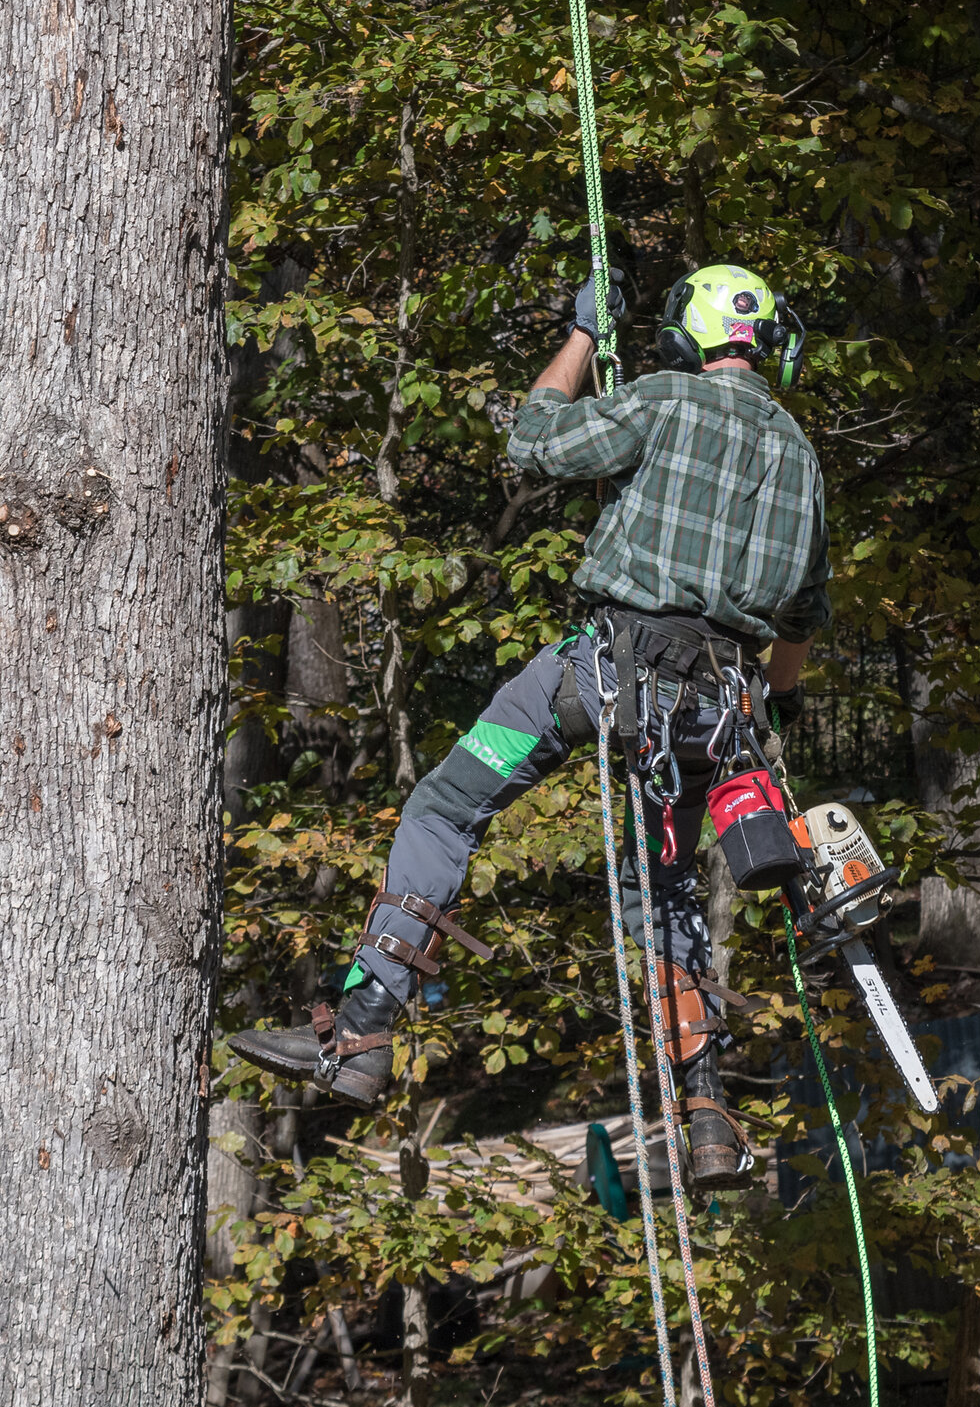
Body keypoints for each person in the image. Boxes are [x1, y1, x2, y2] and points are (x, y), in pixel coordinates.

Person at [229, 263, 830, 1190]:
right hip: (718, 716)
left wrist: (585, 336)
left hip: (597, 679)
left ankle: (361, 1033)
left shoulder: (664, 399)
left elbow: (535, 438)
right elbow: (794, 634)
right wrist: (766, 719)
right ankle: (704, 1112)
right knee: (666, 887)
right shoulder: (801, 455)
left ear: (690, 332)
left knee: (443, 807)